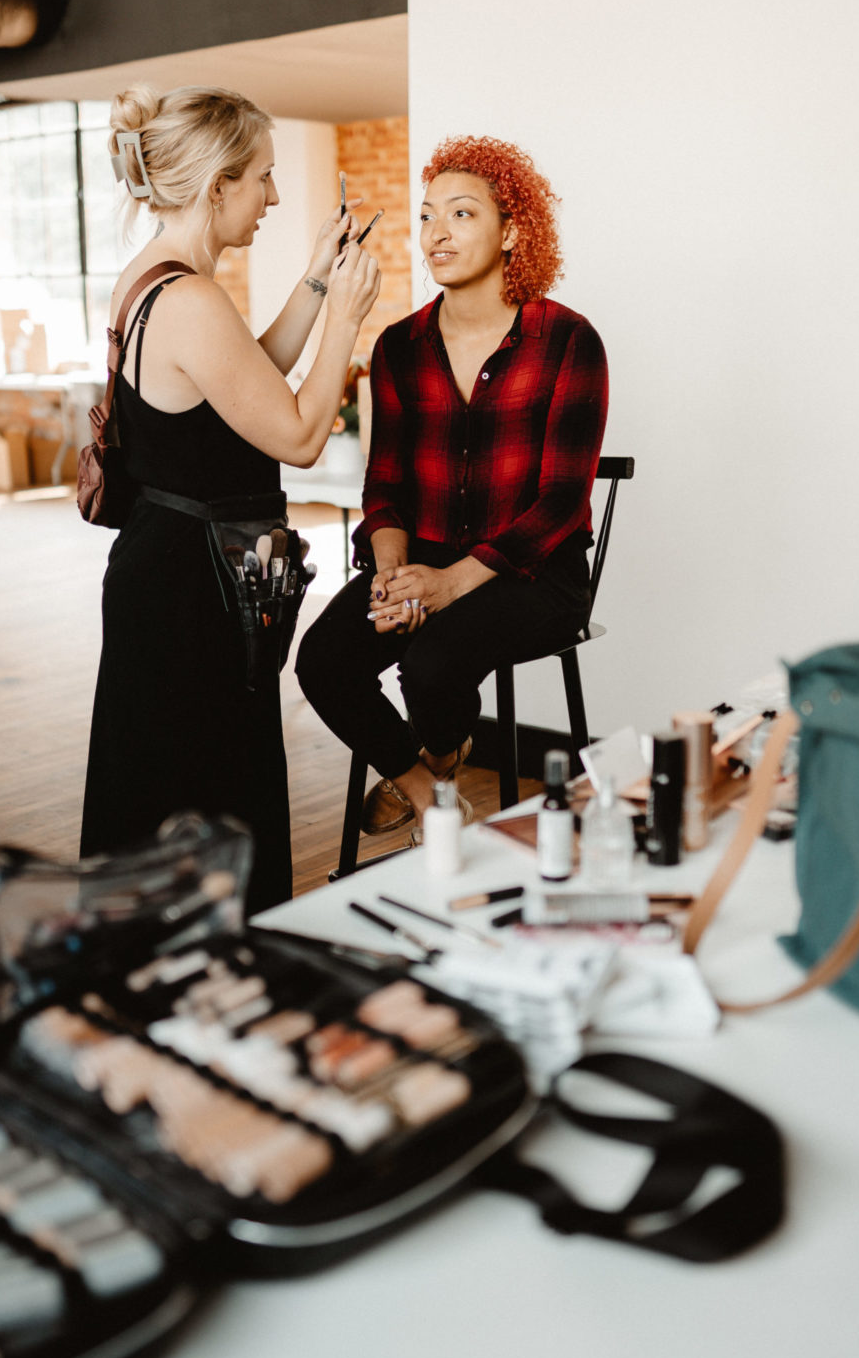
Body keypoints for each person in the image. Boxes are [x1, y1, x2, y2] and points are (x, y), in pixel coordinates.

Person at [80, 84, 380, 912]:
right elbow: (299, 434)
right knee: (206, 800)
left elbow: (246, 380)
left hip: (164, 572)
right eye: (262, 178)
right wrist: (347, 320)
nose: (273, 198)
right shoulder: (192, 300)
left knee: (161, 797)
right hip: (193, 593)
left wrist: (315, 279)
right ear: (218, 186)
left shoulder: (152, 280)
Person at [296, 134, 608, 840]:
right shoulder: (398, 347)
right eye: (428, 215)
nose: (436, 232)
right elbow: (385, 483)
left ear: (512, 232)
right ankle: (429, 794)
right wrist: (392, 575)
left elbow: (561, 502)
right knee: (323, 658)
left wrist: (446, 586)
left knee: (429, 662)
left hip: (536, 573)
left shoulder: (568, 340)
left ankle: (440, 758)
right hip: (425, 555)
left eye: (462, 214)